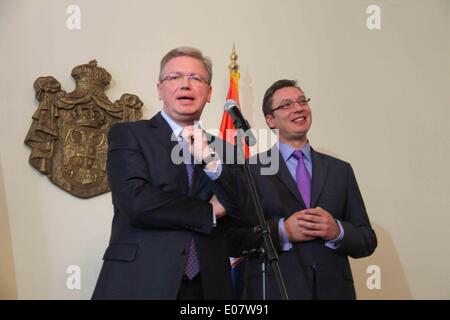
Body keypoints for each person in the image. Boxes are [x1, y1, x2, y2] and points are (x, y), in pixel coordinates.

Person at [92, 47, 243, 300]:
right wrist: (209, 211)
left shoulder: (226, 150)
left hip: (209, 286)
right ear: (160, 89)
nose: (186, 84)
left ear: (209, 93)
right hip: (140, 280)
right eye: (174, 77)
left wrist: (210, 162)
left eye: (196, 78)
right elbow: (136, 202)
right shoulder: (128, 134)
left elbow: (242, 210)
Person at [228, 79, 377, 300]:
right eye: (286, 104)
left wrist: (337, 231)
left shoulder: (340, 171)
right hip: (275, 291)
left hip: (334, 292)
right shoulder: (250, 171)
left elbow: (367, 240)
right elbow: (233, 240)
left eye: (302, 101)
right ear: (271, 120)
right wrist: (281, 231)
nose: (298, 108)